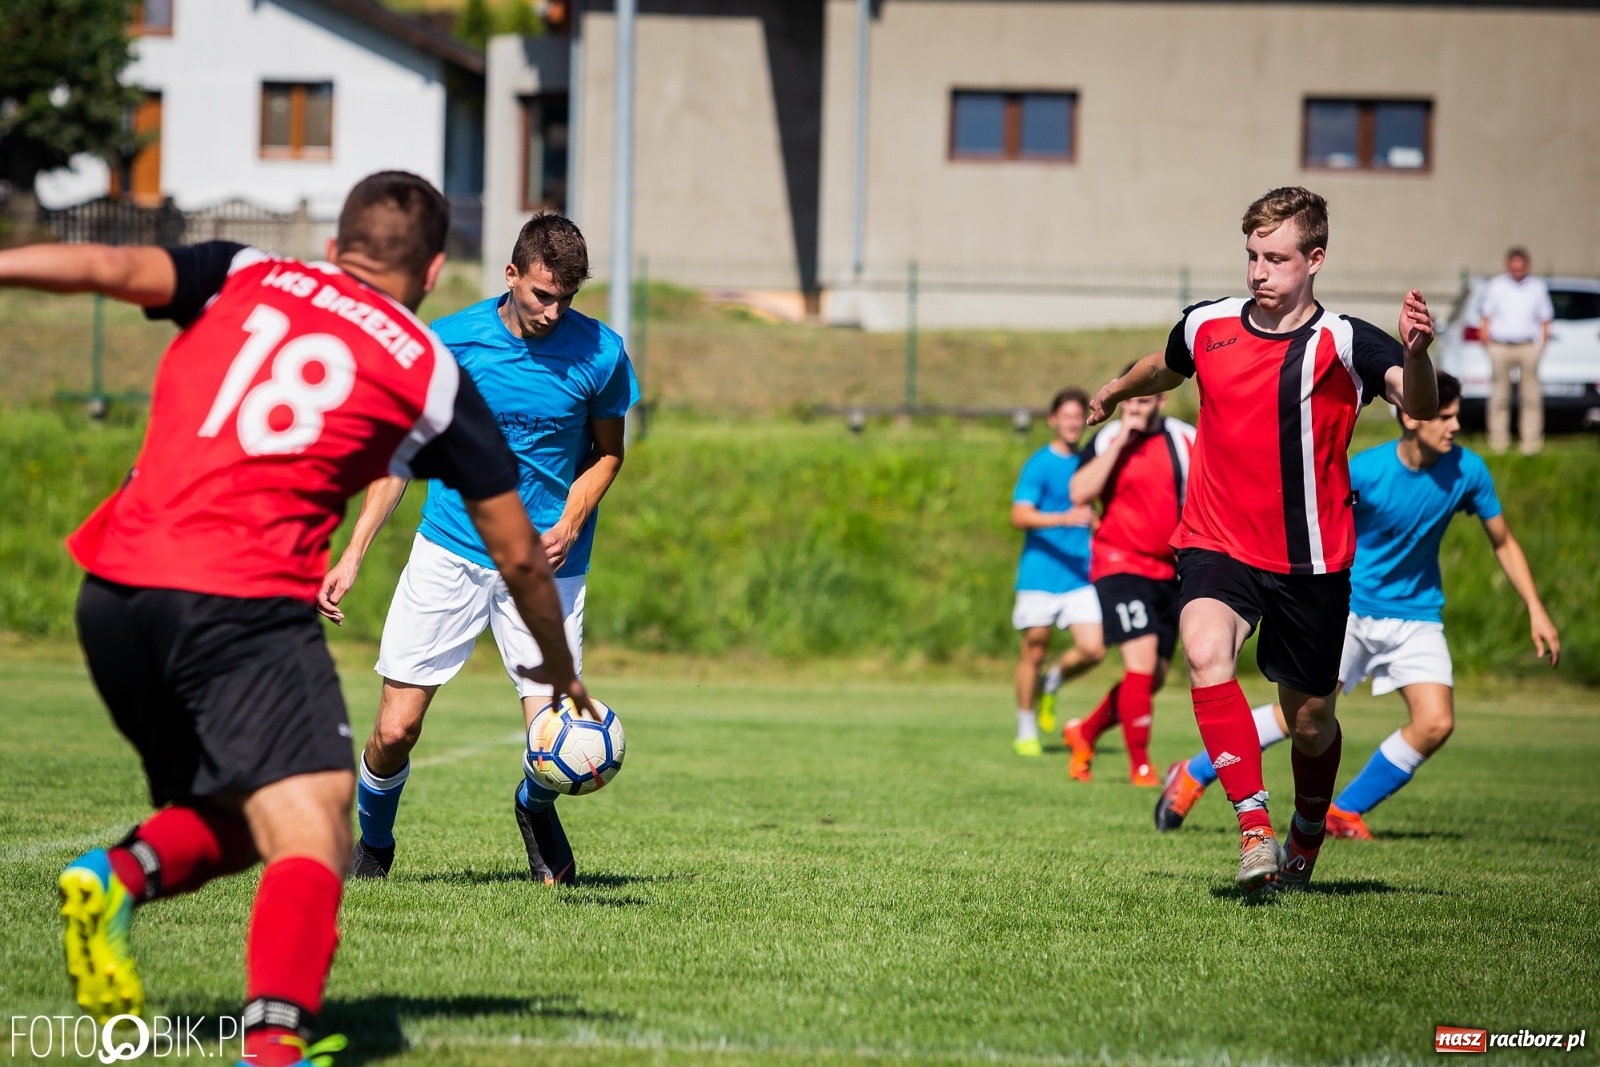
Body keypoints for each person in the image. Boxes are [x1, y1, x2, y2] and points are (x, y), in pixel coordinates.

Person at [0, 172, 591, 1067]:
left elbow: (103, 262)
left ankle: (114, 877)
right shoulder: (429, 364)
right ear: (434, 270)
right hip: (234, 600)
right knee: (316, 822)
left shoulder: (244, 271)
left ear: (334, 245)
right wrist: (560, 669)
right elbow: (516, 552)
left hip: (111, 590)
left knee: (250, 814)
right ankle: (272, 1041)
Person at [1087, 186, 1439, 896]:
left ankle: (1306, 834)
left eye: (1275, 257)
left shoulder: (1345, 341)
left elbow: (1421, 403)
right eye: (1251, 255)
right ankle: (1253, 827)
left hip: (1312, 561)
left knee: (1311, 723)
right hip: (1216, 541)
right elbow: (1164, 363)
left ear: (1314, 259)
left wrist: (1418, 353)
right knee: (1204, 650)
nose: (1258, 271)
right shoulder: (1209, 323)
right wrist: (1117, 390)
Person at [321, 212, 637, 884]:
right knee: (395, 729)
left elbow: (609, 455)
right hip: (453, 552)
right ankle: (374, 842)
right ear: (512, 275)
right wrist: (353, 552)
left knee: (552, 732)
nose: (554, 312)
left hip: (548, 565)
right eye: (542, 295)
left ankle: (535, 805)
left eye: (568, 299)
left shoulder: (601, 354)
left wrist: (575, 513)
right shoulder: (450, 345)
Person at [1156, 372, 1559, 836]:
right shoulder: (1365, 472)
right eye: (1444, 417)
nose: (1453, 426)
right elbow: (1309, 515)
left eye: (1455, 416)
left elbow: (1504, 542)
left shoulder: (1469, 472)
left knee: (1436, 722)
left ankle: (1343, 812)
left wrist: (1535, 607)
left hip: (1416, 615)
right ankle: (1193, 773)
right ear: (1409, 416)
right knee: (1301, 719)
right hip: (1351, 609)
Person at [1059, 380, 1195, 785]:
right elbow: (1079, 492)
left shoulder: (1185, 439)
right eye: (1131, 401)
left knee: (1151, 678)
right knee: (1140, 664)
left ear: (1161, 400)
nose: (1139, 408)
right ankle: (1141, 767)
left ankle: (1083, 732)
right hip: (1119, 563)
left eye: (1146, 400)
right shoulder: (1107, 440)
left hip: (1169, 570)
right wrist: (1121, 441)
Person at [1009, 388, 1104, 756]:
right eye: (1066, 416)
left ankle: (1054, 680)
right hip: (1040, 574)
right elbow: (1019, 515)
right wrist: (1063, 518)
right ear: (1053, 420)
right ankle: (1025, 727)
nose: (1072, 422)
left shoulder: (1089, 461)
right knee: (1034, 650)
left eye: (1078, 416)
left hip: (1080, 575)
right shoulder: (1039, 463)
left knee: (1093, 649)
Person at [1480, 247, 1554, 456]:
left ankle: (1530, 443)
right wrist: (1489, 345)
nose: (1517, 270)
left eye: (1521, 267)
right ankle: (1498, 442)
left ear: (1527, 266)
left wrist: (1541, 347)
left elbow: (1546, 319)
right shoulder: (1496, 286)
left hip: (1527, 346)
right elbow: (1485, 318)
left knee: (1530, 396)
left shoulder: (1537, 287)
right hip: (1501, 346)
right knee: (1499, 396)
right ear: (1508, 266)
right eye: (1514, 266)